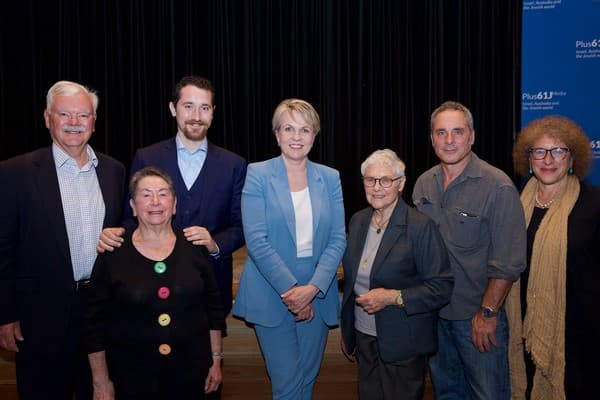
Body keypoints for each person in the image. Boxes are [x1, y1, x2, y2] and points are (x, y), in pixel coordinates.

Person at [0, 80, 125, 399]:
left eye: (82, 115)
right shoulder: (15, 172)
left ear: (94, 122)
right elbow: (3, 249)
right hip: (39, 315)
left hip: (100, 312)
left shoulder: (114, 171)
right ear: (47, 118)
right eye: (64, 114)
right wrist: (5, 314)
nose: (73, 123)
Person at [98, 75, 247, 319]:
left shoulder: (234, 165)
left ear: (213, 112)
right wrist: (115, 235)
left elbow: (241, 226)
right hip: (151, 282)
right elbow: (131, 217)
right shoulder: (147, 157)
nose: (196, 115)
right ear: (173, 109)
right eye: (188, 106)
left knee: (211, 356)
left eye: (204, 107)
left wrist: (215, 244)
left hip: (210, 285)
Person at [412, 101, 527, 399]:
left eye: (457, 132)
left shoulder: (497, 187)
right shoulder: (423, 185)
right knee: (446, 393)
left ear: (472, 136)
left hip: (476, 320)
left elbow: (509, 262)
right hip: (435, 317)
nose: (449, 141)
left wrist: (487, 314)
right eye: (441, 133)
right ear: (432, 138)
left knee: (488, 395)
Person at [233, 98, 346, 400]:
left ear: (314, 135)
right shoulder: (257, 174)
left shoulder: (330, 177)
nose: (297, 137)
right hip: (272, 294)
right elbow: (256, 241)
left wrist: (311, 290)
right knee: (287, 384)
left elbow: (338, 238)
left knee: (307, 380)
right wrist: (294, 292)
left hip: (317, 294)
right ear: (277, 134)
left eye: (305, 130)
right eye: (289, 129)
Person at [84, 167, 224, 399]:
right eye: (146, 194)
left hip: (193, 375)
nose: (155, 202)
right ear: (133, 206)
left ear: (175, 204)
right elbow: (94, 324)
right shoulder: (113, 251)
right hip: (131, 378)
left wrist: (216, 360)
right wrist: (100, 381)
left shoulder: (195, 246)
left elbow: (213, 310)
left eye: (163, 193)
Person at [340, 149, 453, 400]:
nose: (377, 187)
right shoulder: (358, 221)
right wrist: (349, 331)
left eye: (386, 180)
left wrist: (393, 297)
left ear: (401, 183)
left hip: (404, 344)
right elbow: (351, 282)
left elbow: (442, 287)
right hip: (364, 338)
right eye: (370, 180)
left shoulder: (420, 227)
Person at [506, 116, 600, 399]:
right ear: (529, 158)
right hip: (523, 328)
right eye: (539, 151)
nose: (548, 159)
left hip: (580, 334)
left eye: (558, 150)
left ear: (572, 157)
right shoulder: (515, 203)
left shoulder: (594, 203)